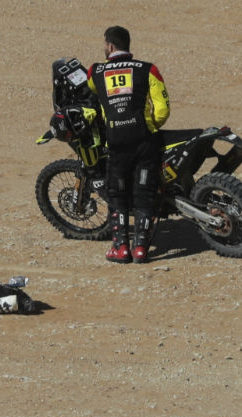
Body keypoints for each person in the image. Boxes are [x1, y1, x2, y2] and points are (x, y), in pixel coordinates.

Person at [86, 26, 170, 263]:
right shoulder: (148, 69)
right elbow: (163, 108)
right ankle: (142, 249)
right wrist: (149, 126)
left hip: (116, 142)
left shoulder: (96, 71)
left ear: (110, 46)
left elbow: (88, 91)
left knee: (117, 194)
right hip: (144, 141)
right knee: (145, 193)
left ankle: (121, 249)